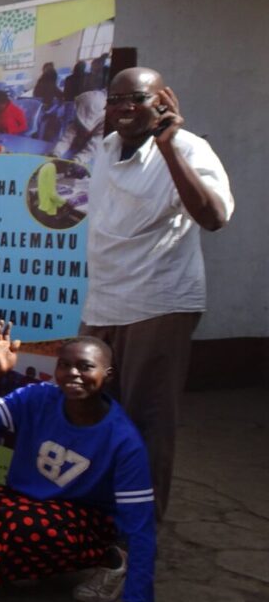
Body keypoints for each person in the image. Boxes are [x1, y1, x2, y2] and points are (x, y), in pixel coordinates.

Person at [0, 322, 156, 602]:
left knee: (26, 528)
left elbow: (141, 527)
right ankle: (12, 569)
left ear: (107, 376)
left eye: (85, 367)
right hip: (24, 503)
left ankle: (109, 561)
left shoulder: (124, 441)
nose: (73, 374)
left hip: (83, 519)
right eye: (65, 365)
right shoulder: (36, 398)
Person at [80, 69, 233, 516]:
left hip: (157, 304)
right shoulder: (106, 149)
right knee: (94, 413)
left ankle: (137, 536)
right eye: (116, 98)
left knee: (147, 423)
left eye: (137, 98)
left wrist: (168, 148)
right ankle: (100, 519)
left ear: (162, 101)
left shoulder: (188, 149)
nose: (125, 107)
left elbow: (214, 217)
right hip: (105, 301)